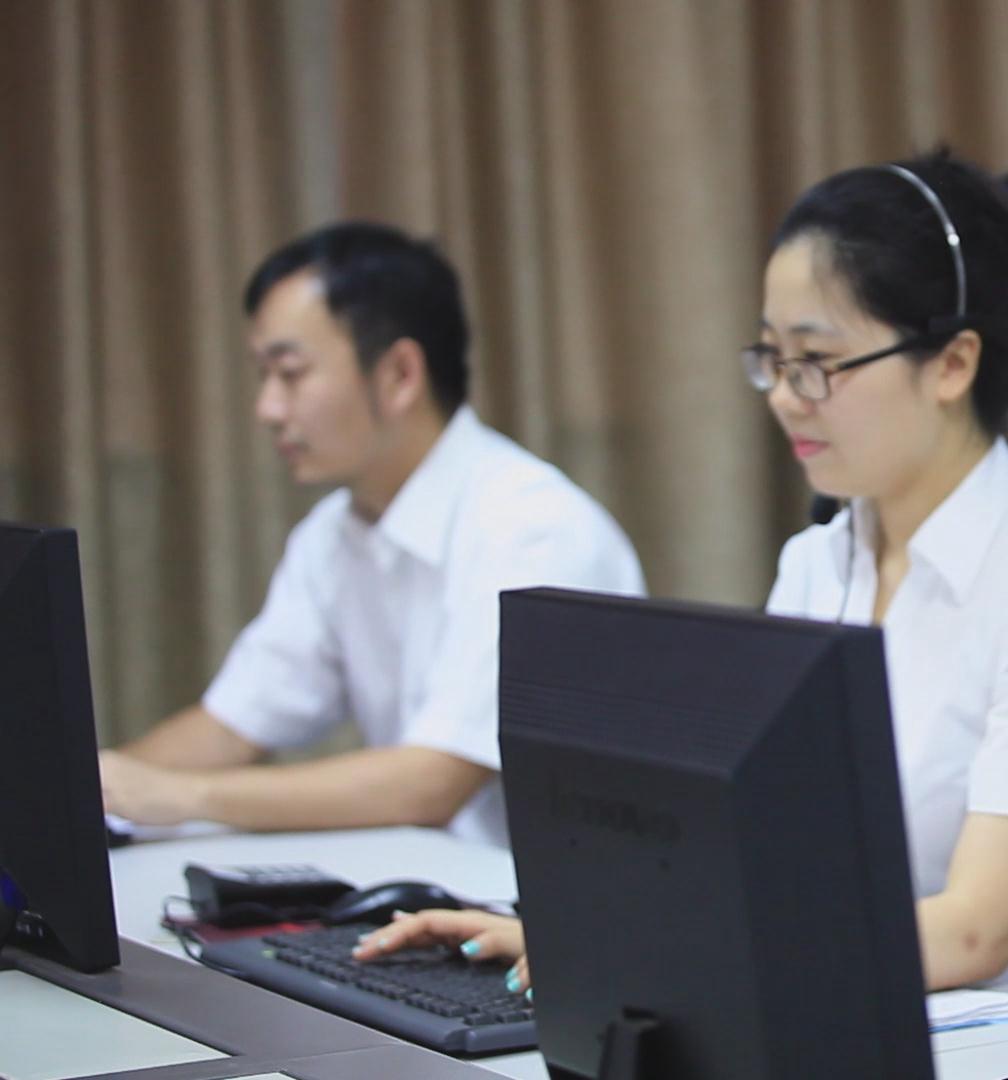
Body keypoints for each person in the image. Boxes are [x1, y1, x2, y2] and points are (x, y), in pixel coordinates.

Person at [359, 152, 1008, 1021]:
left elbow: (975, 933)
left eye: (816, 361)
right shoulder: (818, 564)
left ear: (951, 364)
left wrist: (647, 950)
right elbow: (756, 850)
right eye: (771, 360)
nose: (783, 397)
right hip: (844, 1017)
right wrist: (573, 928)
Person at [98, 222, 645, 847]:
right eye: (263, 376)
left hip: (530, 897)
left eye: (290, 373)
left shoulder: (532, 529)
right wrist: (85, 794)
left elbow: (434, 781)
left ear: (400, 374)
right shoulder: (331, 537)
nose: (267, 409)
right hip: (425, 881)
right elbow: (232, 725)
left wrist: (183, 797)